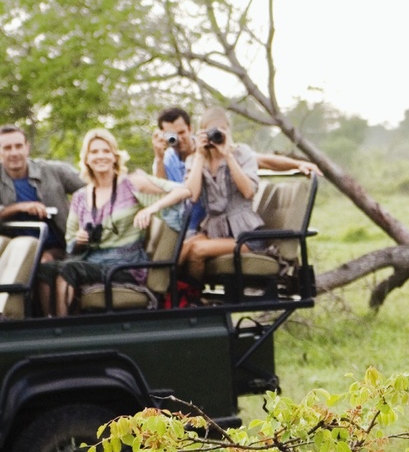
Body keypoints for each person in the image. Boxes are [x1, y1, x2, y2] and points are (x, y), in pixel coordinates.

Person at [36, 128, 191, 317]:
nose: (100, 156)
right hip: (92, 260)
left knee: (70, 269)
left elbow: (183, 191)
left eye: (105, 151)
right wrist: (80, 240)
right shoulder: (80, 197)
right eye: (94, 152)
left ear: (114, 156)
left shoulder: (131, 184)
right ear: (86, 159)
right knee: (44, 269)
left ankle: (62, 330)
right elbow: (70, 245)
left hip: (124, 265)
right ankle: (49, 323)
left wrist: (151, 208)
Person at [152, 105, 317, 234]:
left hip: (213, 223)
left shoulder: (212, 145)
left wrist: (297, 164)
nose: (178, 139)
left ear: (191, 129)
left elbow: (259, 159)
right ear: (163, 134)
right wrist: (158, 158)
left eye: (182, 132)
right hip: (188, 225)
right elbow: (162, 190)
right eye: (171, 135)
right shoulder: (167, 159)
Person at [179, 108, 268, 286]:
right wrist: (199, 156)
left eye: (220, 130)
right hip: (214, 231)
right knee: (182, 249)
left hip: (246, 235)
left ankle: (192, 298)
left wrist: (227, 155)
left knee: (197, 250)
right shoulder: (196, 159)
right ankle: (169, 297)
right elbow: (192, 196)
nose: (215, 135)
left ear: (228, 131)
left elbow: (249, 191)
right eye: (210, 131)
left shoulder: (241, 153)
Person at [0, 124, 86, 261]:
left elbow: (93, 185)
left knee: (43, 263)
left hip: (57, 247)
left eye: (18, 146)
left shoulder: (53, 171)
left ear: (27, 147)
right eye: (7, 148)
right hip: (13, 250)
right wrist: (20, 207)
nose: (14, 153)